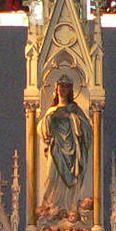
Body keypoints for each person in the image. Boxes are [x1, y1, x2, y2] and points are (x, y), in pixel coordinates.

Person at [39, 76, 93, 214]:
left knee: (72, 180)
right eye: (61, 86)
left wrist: (71, 118)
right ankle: (51, 206)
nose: (63, 90)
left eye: (66, 87)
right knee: (51, 176)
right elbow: (41, 128)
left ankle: (70, 207)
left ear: (70, 90)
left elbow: (87, 129)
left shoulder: (75, 110)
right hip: (56, 150)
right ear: (56, 89)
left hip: (72, 151)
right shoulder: (51, 111)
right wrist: (49, 120)